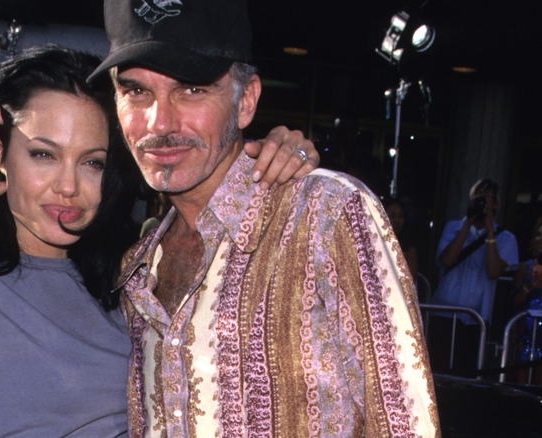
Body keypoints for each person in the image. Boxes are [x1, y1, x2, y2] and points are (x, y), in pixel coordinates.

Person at [0, 45, 318, 436]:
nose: (68, 186)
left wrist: (273, 157)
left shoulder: (131, 275)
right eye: (43, 154)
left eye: (92, 162)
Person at [89, 0, 440, 436]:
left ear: (246, 100)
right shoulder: (137, 270)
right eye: (136, 91)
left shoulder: (327, 214)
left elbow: (405, 423)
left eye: (192, 89)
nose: (159, 122)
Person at [429, 178, 518, 374]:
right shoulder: (453, 227)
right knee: (438, 371)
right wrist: (468, 224)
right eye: (476, 199)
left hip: (475, 317)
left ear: (495, 204)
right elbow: (447, 260)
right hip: (444, 311)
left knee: (467, 374)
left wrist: (489, 230)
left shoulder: (506, 238)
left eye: (485, 200)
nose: (479, 204)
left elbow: (494, 271)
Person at [511, 217, 542, 385]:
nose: (540, 239)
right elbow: (514, 301)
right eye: (538, 234)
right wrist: (529, 287)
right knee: (521, 385)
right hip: (527, 333)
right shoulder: (526, 267)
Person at [385, 197, 419, 281]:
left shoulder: (408, 247)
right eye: (392, 216)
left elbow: (410, 278)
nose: (396, 220)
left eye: (400, 216)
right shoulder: (372, 242)